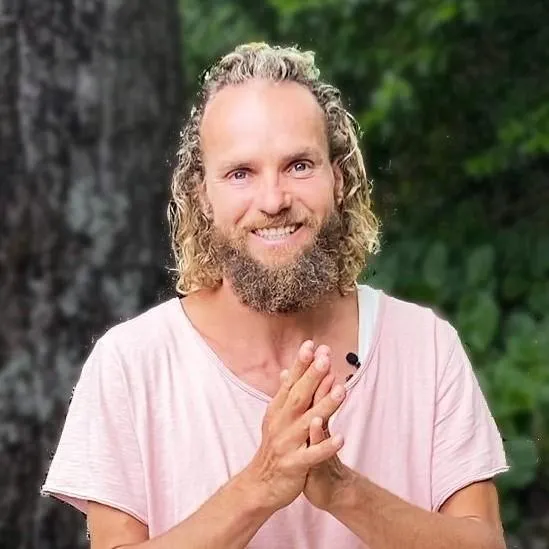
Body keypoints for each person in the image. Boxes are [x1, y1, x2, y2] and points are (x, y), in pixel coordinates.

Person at [42, 43, 509, 549]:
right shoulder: (130, 364)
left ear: (339, 179)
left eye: (299, 165)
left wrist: (343, 491)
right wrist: (260, 485)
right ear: (202, 196)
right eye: (240, 173)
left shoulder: (426, 347)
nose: (273, 201)